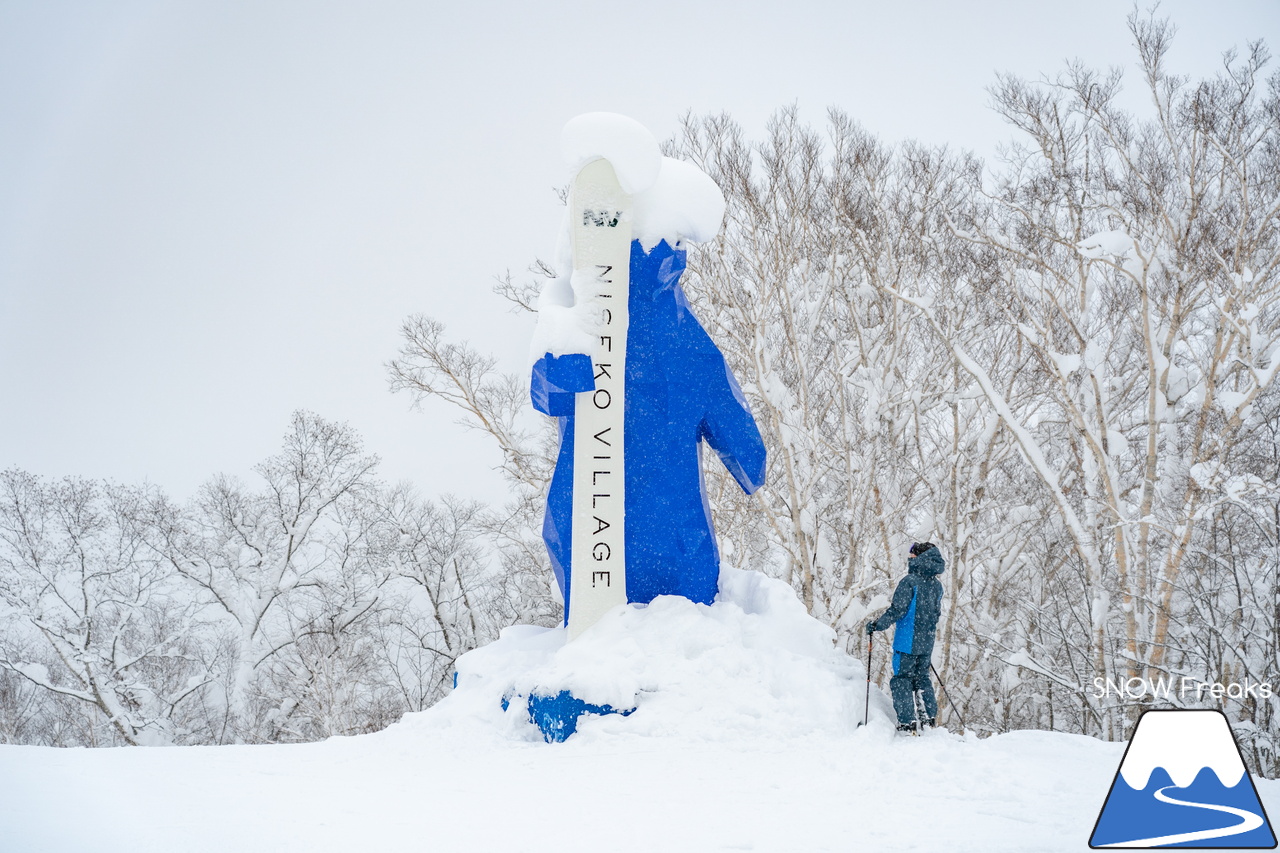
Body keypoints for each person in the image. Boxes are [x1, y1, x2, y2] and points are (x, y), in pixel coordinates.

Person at [866, 542, 946, 731]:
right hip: (926, 642)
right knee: (922, 678)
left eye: (912, 556)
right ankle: (928, 717)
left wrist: (877, 625)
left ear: (920, 558)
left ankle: (907, 720)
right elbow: (935, 615)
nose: (909, 559)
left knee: (902, 679)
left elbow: (897, 610)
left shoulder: (910, 582)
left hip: (906, 642)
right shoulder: (937, 586)